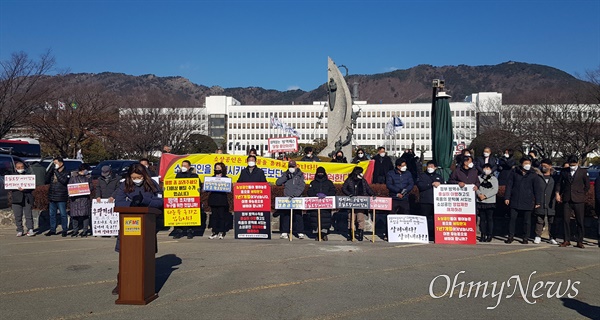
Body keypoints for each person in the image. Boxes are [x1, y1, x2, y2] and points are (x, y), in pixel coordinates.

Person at [112, 163, 163, 295]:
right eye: (134, 177)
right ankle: (121, 283)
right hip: (129, 225)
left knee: (145, 257)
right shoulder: (124, 185)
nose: (136, 179)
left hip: (148, 224)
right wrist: (132, 203)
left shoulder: (152, 184)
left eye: (139, 177)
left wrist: (145, 201)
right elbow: (118, 203)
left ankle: (147, 285)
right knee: (127, 257)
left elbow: (160, 201)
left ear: (144, 175)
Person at [504, 156, 542, 244]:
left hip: (527, 200)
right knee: (512, 219)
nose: (527, 165)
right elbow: (509, 185)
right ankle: (510, 236)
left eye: (529, 163)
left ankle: (525, 237)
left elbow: (537, 189)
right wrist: (507, 197)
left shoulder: (533, 174)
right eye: (525, 163)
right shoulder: (514, 172)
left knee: (527, 221)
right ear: (521, 164)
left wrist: (538, 201)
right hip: (515, 199)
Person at [556, 156, 590, 249]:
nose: (572, 166)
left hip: (579, 199)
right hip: (567, 198)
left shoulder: (583, 172)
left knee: (580, 221)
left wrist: (581, 193)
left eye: (574, 164)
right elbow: (559, 183)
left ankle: (580, 241)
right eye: (571, 164)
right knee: (566, 220)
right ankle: (566, 240)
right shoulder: (564, 171)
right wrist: (558, 193)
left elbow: (587, 185)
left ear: (577, 163)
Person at [383, 158, 415, 240]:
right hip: (394, 197)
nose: (405, 167)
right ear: (398, 166)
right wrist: (398, 192)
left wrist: (405, 191)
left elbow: (411, 183)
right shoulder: (390, 173)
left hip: (405, 197)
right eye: (403, 165)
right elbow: (389, 185)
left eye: (405, 165)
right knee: (391, 216)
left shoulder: (408, 173)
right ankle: (388, 234)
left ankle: (405, 234)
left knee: (405, 216)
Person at [276, 160, 306, 239]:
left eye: (292, 166)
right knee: (286, 215)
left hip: (296, 198)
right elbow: (278, 183)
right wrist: (285, 177)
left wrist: (295, 195)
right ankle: (284, 232)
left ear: (296, 166)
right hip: (287, 198)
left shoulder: (300, 175)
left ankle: (300, 232)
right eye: (290, 166)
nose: (291, 168)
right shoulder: (285, 174)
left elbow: (301, 186)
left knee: (298, 215)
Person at [342, 166, 374, 241]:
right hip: (351, 202)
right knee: (351, 219)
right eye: (360, 172)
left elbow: (368, 188)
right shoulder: (349, 180)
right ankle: (351, 233)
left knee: (360, 218)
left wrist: (372, 194)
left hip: (361, 202)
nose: (362, 174)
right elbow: (344, 188)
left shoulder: (363, 180)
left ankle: (360, 234)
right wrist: (349, 194)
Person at [306, 166, 336, 241]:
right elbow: (309, 191)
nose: (320, 174)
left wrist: (326, 195)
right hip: (316, 206)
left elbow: (333, 191)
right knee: (315, 220)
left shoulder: (329, 183)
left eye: (321, 173)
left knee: (325, 220)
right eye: (319, 173)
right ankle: (317, 234)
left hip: (326, 206)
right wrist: (316, 195)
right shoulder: (313, 183)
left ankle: (324, 234)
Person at [417, 161, 444, 240]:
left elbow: (444, 186)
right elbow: (420, 185)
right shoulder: (422, 175)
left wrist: (440, 184)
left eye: (432, 166)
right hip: (425, 200)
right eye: (429, 166)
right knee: (424, 218)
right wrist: (430, 184)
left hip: (437, 201)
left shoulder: (439, 176)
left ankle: (434, 234)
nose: (430, 168)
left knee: (435, 218)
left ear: (435, 168)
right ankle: (424, 233)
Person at [173, 159, 199, 239]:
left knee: (190, 215)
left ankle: (190, 231)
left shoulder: (194, 175)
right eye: (182, 166)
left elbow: (198, 186)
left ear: (189, 167)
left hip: (190, 199)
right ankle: (178, 232)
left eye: (185, 166)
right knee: (179, 215)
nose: (183, 167)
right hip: (180, 198)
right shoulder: (178, 175)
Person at [534, 159, 558, 245]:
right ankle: (538, 236)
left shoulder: (555, 176)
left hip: (551, 201)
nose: (543, 167)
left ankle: (552, 237)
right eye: (542, 165)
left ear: (550, 166)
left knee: (552, 220)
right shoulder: (537, 176)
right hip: (540, 200)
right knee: (539, 219)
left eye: (545, 166)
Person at [45, 157, 70, 237]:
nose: (54, 165)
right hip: (52, 196)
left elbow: (64, 181)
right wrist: (50, 171)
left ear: (61, 163)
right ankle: (52, 229)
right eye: (53, 163)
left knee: (63, 214)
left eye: (55, 163)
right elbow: (46, 180)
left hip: (61, 196)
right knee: (52, 214)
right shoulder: (53, 172)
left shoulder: (66, 172)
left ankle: (64, 229)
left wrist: (56, 171)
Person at [68, 164, 93, 237]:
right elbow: (70, 187)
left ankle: (85, 230)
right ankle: (75, 230)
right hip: (75, 199)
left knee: (85, 215)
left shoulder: (88, 177)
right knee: (74, 215)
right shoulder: (73, 177)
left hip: (84, 198)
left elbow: (91, 187)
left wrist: (86, 189)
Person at [208, 162, 231, 239]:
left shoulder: (226, 178)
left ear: (222, 169)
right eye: (216, 168)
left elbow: (229, 190)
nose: (217, 169)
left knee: (221, 216)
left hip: (222, 200)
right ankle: (214, 232)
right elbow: (207, 189)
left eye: (219, 168)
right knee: (214, 217)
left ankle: (222, 231)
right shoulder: (211, 178)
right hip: (213, 199)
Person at [11, 161, 35, 237]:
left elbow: (32, 187)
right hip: (16, 198)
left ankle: (30, 229)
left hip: (27, 197)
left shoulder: (28, 176)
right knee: (18, 215)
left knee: (28, 215)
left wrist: (24, 189)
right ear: (15, 168)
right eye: (18, 167)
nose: (20, 169)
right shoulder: (12, 177)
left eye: (22, 167)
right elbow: (9, 187)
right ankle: (19, 230)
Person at [476, 163, 498, 242]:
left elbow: (495, 190)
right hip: (481, 201)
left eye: (488, 168)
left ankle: (489, 235)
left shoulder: (494, 179)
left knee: (489, 219)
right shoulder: (478, 178)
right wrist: (479, 194)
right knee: (482, 219)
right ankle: (483, 234)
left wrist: (485, 196)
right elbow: (475, 187)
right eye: (485, 168)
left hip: (490, 201)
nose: (486, 169)